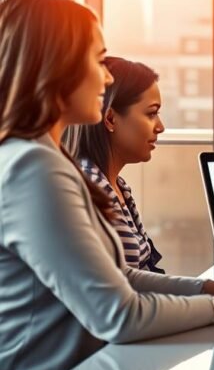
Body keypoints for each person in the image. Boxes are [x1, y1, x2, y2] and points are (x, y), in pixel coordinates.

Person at [0, 0, 214, 370]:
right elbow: (118, 316)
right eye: (98, 60)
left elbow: (119, 278)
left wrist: (210, 288)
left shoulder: (45, 158)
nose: (106, 77)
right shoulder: (35, 169)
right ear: (56, 66)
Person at [63, 57, 166, 273]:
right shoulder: (91, 189)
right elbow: (123, 293)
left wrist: (210, 291)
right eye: (151, 113)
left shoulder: (118, 186)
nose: (161, 127)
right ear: (110, 119)